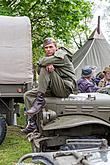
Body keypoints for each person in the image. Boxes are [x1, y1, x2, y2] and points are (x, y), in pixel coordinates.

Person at [22, 37, 77, 133]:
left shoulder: (62, 55)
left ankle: (39, 100)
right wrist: (45, 64)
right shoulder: (49, 59)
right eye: (46, 48)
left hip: (65, 88)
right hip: (53, 87)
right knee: (27, 95)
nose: (48, 49)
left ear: (56, 47)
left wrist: (43, 63)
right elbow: (39, 71)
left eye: (51, 47)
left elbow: (42, 63)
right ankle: (32, 123)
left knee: (45, 68)